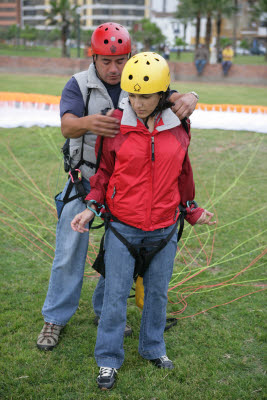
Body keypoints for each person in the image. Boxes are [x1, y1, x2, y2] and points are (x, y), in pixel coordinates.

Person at [36, 22, 200, 351]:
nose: (114, 69)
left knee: (118, 255)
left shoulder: (141, 76)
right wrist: (88, 123)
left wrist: (192, 97)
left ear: (130, 56)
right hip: (85, 183)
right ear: (93, 58)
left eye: (120, 60)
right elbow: (67, 125)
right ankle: (54, 318)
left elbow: (173, 95)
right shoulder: (78, 85)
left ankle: (105, 310)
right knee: (69, 251)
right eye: (106, 61)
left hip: (126, 188)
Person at [71, 52, 216, 390]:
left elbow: (183, 172)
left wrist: (193, 210)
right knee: (115, 295)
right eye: (132, 94)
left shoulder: (178, 125)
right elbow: (104, 174)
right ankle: (108, 360)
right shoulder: (115, 124)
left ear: (163, 94)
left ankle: (153, 348)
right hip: (123, 228)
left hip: (165, 229)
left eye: (146, 96)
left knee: (158, 294)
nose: (137, 102)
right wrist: (91, 207)